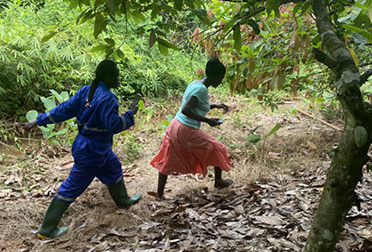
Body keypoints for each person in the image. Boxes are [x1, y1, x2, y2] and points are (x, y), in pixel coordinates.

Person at [25, 59, 141, 239]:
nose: (119, 79)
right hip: (93, 150)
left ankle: (123, 200)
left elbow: (63, 110)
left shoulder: (86, 91)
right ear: (108, 77)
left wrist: (38, 120)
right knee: (72, 186)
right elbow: (113, 125)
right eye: (116, 75)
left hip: (90, 145)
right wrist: (130, 114)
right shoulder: (108, 98)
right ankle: (47, 229)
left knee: (113, 167)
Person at [150, 56, 233, 199]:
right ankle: (218, 182)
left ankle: (159, 194)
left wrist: (215, 105)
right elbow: (186, 109)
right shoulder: (201, 90)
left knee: (167, 158)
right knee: (218, 147)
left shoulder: (196, 84)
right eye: (220, 78)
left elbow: (196, 104)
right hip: (186, 129)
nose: (221, 81)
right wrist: (208, 121)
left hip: (175, 125)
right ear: (214, 76)